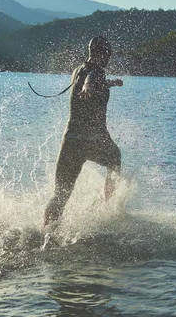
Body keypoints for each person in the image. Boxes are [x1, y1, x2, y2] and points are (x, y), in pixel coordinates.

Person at [44, 36, 123, 227]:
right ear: (102, 54)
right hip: (93, 140)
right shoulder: (95, 72)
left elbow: (92, 80)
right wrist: (89, 86)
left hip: (71, 141)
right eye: (108, 54)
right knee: (115, 157)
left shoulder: (78, 70)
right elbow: (92, 80)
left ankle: (45, 232)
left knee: (60, 195)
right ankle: (110, 211)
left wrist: (112, 83)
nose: (109, 58)